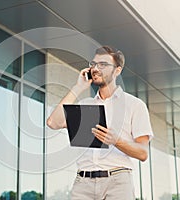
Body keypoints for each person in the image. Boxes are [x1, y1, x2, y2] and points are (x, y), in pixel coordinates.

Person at [46, 45, 153, 200]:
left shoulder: (134, 105)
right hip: (83, 183)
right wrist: (78, 88)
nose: (95, 68)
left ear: (117, 70)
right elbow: (53, 123)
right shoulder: (85, 104)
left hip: (118, 182)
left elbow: (143, 153)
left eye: (103, 64)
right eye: (93, 64)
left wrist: (116, 141)